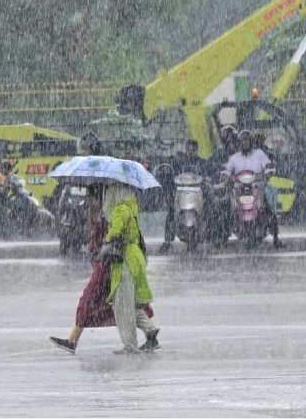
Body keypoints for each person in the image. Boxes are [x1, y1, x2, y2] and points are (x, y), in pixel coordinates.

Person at [50, 184, 157, 354]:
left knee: (90, 300)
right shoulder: (113, 210)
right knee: (122, 304)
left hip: (108, 264)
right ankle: (150, 331)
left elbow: (108, 236)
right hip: (111, 262)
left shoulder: (111, 213)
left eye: (90, 196)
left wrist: (95, 222)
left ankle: (73, 340)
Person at [101, 183, 159, 354]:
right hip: (136, 257)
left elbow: (115, 233)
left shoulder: (119, 210)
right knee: (130, 304)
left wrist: (108, 233)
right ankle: (149, 330)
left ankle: (130, 345)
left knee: (122, 306)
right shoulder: (131, 209)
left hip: (125, 259)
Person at [221, 129, 282, 247]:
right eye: (242, 141)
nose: (245, 143)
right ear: (239, 143)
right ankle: (222, 237)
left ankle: (276, 237)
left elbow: (269, 165)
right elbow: (227, 169)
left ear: (251, 142)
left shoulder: (259, 154)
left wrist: (268, 172)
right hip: (239, 189)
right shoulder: (234, 157)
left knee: (269, 207)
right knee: (225, 207)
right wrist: (225, 175)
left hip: (257, 187)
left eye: (247, 141)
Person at [160, 139, 216, 252]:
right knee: (171, 211)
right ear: (186, 150)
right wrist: (167, 175)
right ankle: (167, 241)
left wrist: (211, 178)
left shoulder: (203, 163)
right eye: (189, 150)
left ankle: (213, 237)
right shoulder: (178, 162)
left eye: (193, 150)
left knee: (211, 209)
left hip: (198, 194)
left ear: (197, 150)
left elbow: (212, 172)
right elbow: (170, 172)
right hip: (181, 192)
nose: (191, 152)